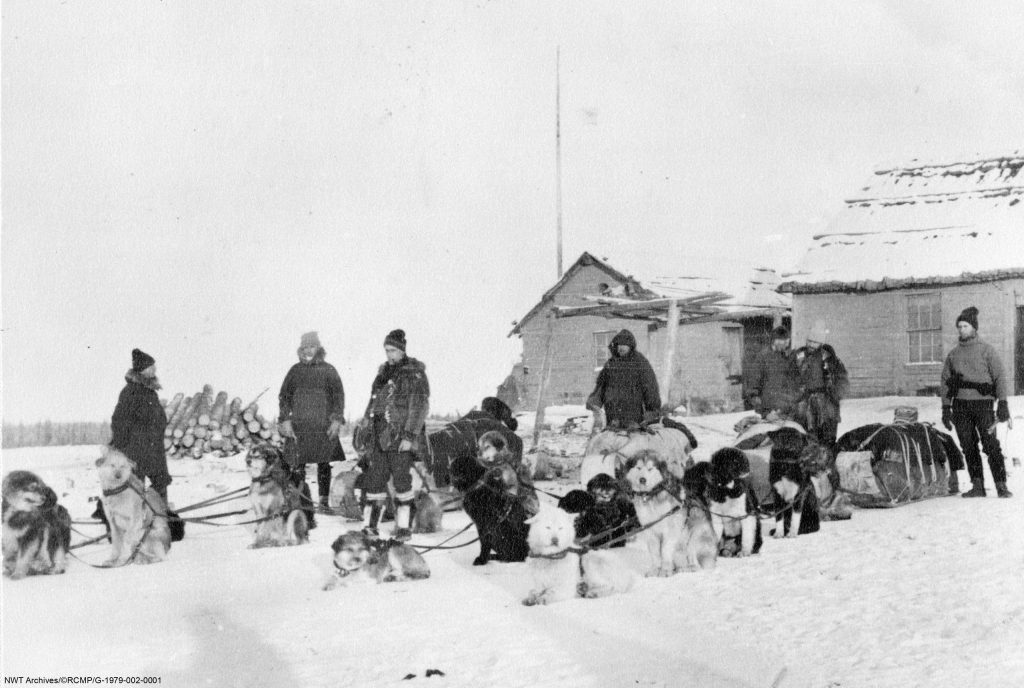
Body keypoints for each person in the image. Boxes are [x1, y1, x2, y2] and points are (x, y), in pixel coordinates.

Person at [359, 329, 430, 540]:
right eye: (386, 350)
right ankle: (370, 527)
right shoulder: (382, 374)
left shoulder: (414, 373)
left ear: (402, 350)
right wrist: (365, 423)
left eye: (393, 350)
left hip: (400, 437)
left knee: (401, 481)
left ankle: (403, 527)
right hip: (379, 436)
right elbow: (373, 402)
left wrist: (409, 437)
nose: (389, 355)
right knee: (374, 479)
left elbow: (419, 407)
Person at [940, 306, 1012, 498]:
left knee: (990, 445)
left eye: (965, 326)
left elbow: (1000, 378)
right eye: (959, 326)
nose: (961, 329)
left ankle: (1001, 485)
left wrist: (1003, 403)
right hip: (960, 406)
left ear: (974, 328)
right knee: (968, 445)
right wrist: (946, 408)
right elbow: (946, 382)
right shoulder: (953, 354)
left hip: (983, 406)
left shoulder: (987, 351)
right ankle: (977, 485)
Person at [278, 331, 346, 524]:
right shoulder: (295, 371)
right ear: (301, 350)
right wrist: (285, 419)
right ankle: (301, 502)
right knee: (297, 465)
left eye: (312, 347)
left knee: (324, 463)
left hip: (323, 425)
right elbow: (284, 397)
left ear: (318, 349)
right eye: (305, 347)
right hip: (299, 425)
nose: (309, 350)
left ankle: (323, 502)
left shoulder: (329, 370)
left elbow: (338, 397)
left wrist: (336, 420)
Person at [111, 348, 172, 504]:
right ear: (143, 369)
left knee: (160, 484)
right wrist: (123, 447)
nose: (155, 369)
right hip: (137, 451)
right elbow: (119, 421)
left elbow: (157, 418)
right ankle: (136, 522)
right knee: (135, 489)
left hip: (154, 450)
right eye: (151, 366)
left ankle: (161, 519)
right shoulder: (130, 392)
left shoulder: (150, 392)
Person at [586, 329, 662, 431]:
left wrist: (652, 410)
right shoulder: (611, 364)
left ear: (630, 346)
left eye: (624, 345)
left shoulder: (640, 363)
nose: (620, 347)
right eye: (618, 345)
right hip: (612, 414)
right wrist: (594, 403)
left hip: (633, 415)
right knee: (613, 441)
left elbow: (650, 387)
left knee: (632, 441)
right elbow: (601, 386)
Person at [794, 321, 849, 451]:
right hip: (805, 401)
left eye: (815, 342)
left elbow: (842, 378)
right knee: (806, 434)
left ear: (821, 343)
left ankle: (827, 458)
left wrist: (836, 394)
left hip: (826, 400)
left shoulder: (829, 357)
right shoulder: (798, 356)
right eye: (809, 341)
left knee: (827, 435)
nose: (811, 345)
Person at [744, 325, 802, 420]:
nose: (787, 345)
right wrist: (765, 413)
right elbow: (752, 390)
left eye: (788, 342)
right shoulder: (762, 358)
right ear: (776, 341)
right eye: (785, 342)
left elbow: (792, 384)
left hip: (785, 412)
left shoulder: (785, 358)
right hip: (769, 413)